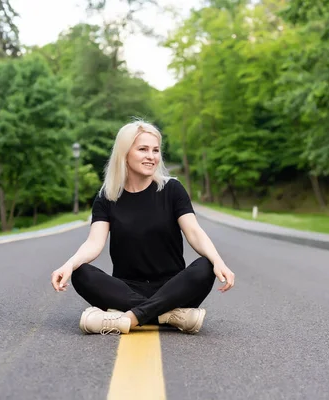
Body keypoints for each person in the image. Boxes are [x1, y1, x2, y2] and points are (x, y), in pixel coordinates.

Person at [50, 120, 235, 335]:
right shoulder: (107, 197)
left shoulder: (172, 190)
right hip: (126, 290)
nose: (152, 156)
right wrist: (69, 265)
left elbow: (194, 232)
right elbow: (94, 243)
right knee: (80, 272)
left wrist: (218, 261)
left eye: (155, 150)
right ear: (125, 154)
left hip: (173, 288)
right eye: (143, 149)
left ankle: (128, 318)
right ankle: (167, 315)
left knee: (205, 266)